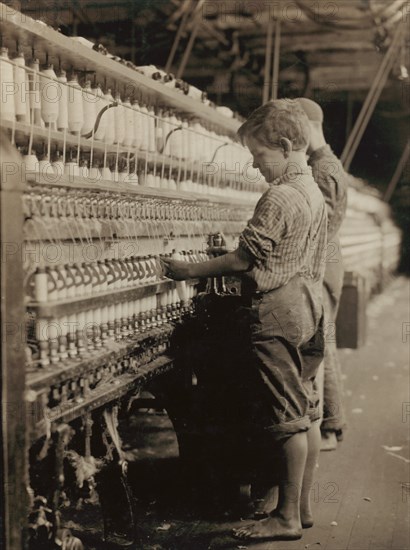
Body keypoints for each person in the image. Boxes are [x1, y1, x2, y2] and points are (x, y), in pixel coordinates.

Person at [162, 99, 327, 542]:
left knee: (286, 418)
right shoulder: (312, 190)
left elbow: (243, 260)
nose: (257, 167)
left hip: (278, 310)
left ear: (287, 145)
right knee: (307, 411)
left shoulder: (279, 195)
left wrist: (189, 269)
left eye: (260, 156)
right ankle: (302, 509)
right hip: (310, 303)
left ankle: (285, 519)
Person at [297, 97, 349, 450]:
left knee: (322, 347)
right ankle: (330, 424)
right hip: (328, 263)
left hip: (323, 266)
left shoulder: (322, 168)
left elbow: (322, 223)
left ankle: (329, 427)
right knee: (323, 344)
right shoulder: (324, 163)